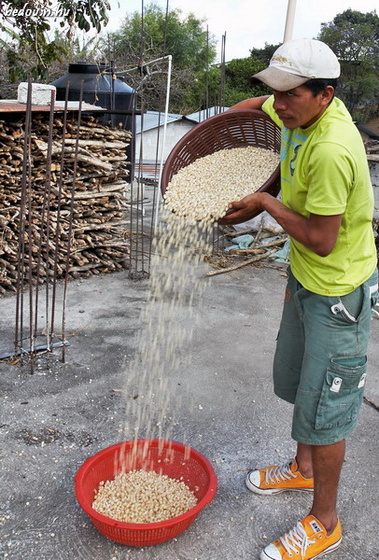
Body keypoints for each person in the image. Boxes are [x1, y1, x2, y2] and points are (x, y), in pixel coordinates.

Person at [221, 38, 378, 560]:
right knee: (300, 383)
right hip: (305, 279)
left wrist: (265, 200)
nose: (278, 103)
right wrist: (219, 124)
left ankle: (325, 521)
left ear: (324, 94)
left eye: (289, 95)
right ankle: (300, 468)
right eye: (275, 93)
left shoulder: (332, 150)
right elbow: (249, 108)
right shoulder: (295, 113)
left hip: (338, 291)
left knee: (328, 406)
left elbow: (321, 239)